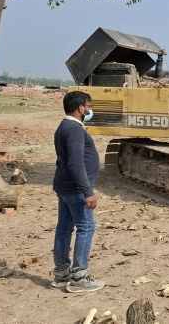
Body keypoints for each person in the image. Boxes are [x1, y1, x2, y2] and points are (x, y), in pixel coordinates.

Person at [50, 91, 105, 292]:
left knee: (64, 228)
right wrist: (88, 191)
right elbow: (75, 163)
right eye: (89, 106)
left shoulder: (64, 126)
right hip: (75, 189)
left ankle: (61, 274)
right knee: (86, 228)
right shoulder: (73, 129)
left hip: (65, 186)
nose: (90, 110)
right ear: (81, 108)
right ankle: (79, 278)